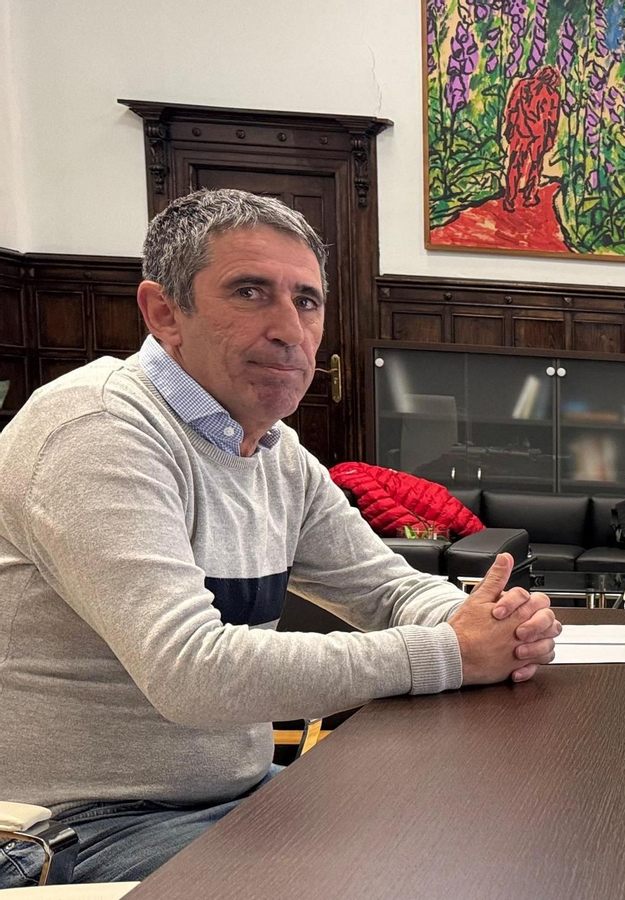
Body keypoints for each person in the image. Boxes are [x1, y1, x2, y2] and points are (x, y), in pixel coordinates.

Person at [0, 189, 563, 887]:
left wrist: (490, 621)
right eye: (249, 292)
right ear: (164, 312)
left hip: (231, 796)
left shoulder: (276, 453)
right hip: (79, 828)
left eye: (307, 301)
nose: (290, 330)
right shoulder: (96, 431)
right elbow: (191, 674)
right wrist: (451, 652)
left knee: (479, 842)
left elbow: (385, 589)